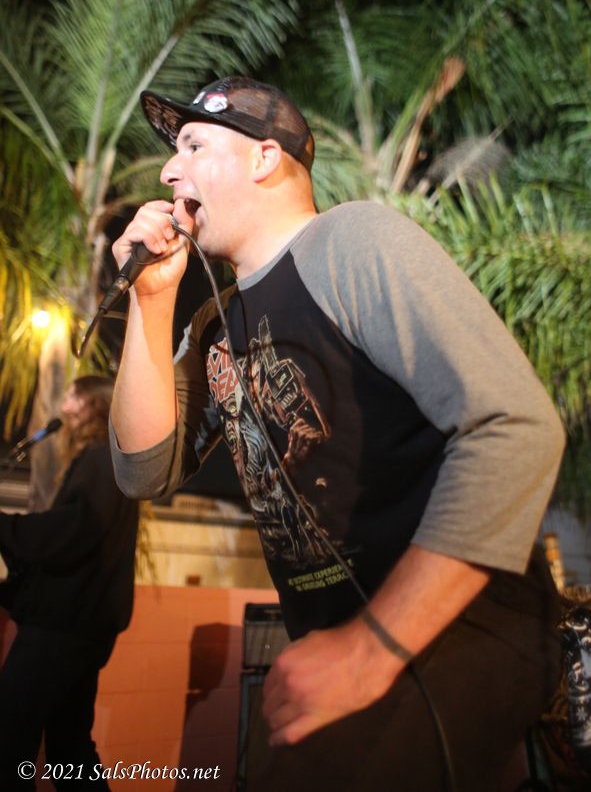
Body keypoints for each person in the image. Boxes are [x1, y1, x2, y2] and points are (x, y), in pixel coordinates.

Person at [109, 76, 565, 791]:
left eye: (193, 145)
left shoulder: (352, 241)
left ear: (264, 158)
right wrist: (150, 300)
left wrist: (370, 648)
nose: (169, 170)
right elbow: (142, 471)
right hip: (341, 654)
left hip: (458, 627)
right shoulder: (215, 326)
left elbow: (515, 427)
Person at [0, 376, 139, 789]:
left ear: (95, 404)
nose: (64, 403)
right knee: (69, 747)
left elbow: (72, 533)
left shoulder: (101, 461)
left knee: (9, 738)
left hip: (61, 626)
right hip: (82, 625)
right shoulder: (109, 463)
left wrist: (7, 528)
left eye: (74, 395)